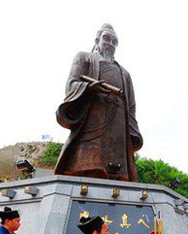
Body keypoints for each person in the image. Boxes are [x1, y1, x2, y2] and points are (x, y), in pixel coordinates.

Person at [55, 23, 143, 181]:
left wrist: (132, 132)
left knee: (117, 173)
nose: (110, 44)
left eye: (114, 41)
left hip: (118, 128)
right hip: (93, 122)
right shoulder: (84, 58)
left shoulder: (125, 74)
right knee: (87, 166)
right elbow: (71, 84)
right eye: (106, 38)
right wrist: (88, 88)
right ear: (97, 40)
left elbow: (131, 106)